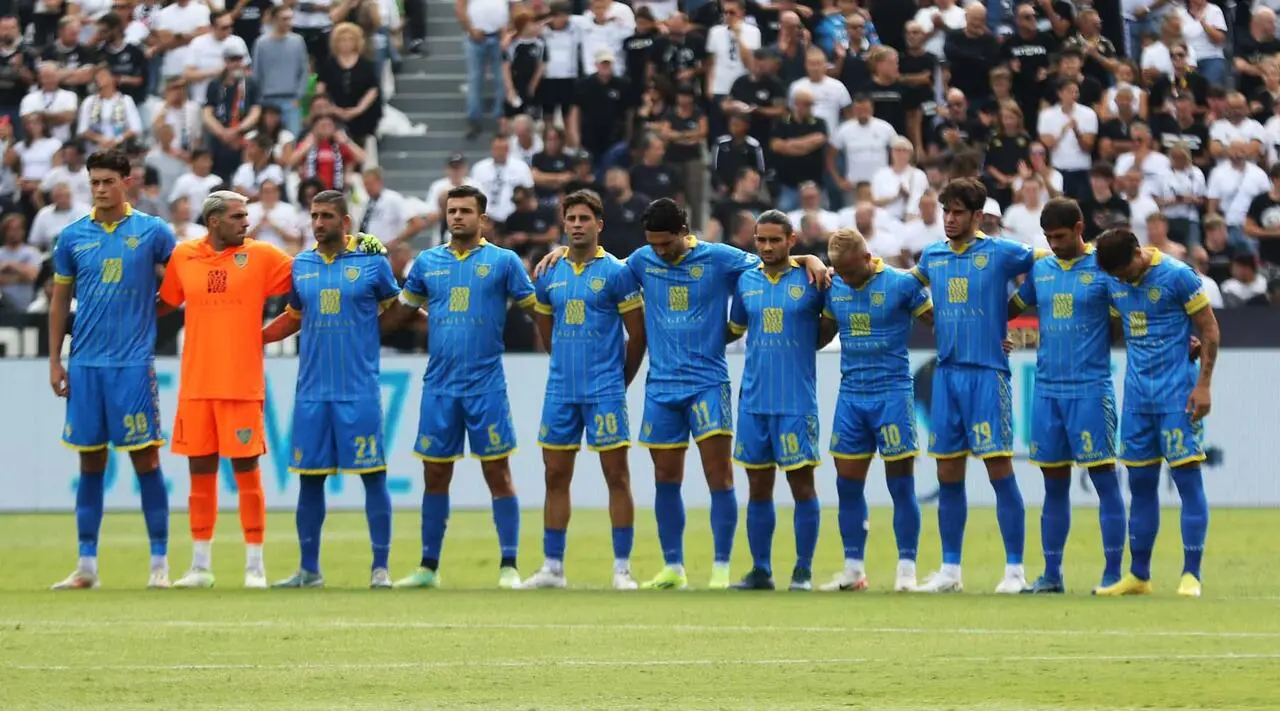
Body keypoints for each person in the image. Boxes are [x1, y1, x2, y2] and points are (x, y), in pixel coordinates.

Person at [535, 198, 828, 590]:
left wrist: (808, 257)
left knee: (718, 476)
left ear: (683, 232)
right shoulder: (640, 260)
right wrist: (563, 251)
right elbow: (598, 267)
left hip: (708, 383)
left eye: (665, 244)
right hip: (661, 387)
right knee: (665, 476)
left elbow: (770, 261)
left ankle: (721, 567)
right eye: (652, 244)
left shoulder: (720, 258)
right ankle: (673, 565)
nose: (659, 251)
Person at [384, 184, 539, 590]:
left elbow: (536, 308)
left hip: (486, 385)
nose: (457, 217)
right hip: (439, 386)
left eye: (465, 211)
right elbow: (401, 310)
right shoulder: (427, 262)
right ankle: (427, 568)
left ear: (482, 218)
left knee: (497, 473)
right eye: (452, 210)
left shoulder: (503, 262)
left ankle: (509, 566)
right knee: (435, 476)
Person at [47, 150, 177, 590]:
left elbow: (179, 282)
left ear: (127, 181)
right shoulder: (71, 237)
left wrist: (155, 309)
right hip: (84, 365)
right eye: (94, 182)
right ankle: (87, 566)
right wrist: (55, 361)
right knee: (90, 463)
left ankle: (159, 563)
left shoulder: (153, 232)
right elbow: (60, 301)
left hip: (132, 366)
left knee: (146, 460)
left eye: (108, 181)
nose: (100, 189)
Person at [909, 177, 1045, 594]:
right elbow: (903, 287)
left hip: (987, 375)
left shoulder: (1001, 253)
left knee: (998, 470)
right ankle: (950, 570)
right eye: (945, 211)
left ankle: (1015, 570)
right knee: (948, 472)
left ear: (976, 216)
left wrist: (1012, 311)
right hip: (947, 375)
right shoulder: (932, 256)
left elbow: (1048, 264)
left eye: (957, 212)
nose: (949, 219)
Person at [261, 190, 399, 589]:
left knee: (373, 475)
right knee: (309, 478)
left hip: (358, 388)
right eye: (314, 216)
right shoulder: (301, 265)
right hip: (312, 391)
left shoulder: (372, 263)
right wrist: (255, 338)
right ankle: (309, 570)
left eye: (325, 216)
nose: (318, 223)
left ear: (345, 221)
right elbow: (293, 317)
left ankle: (380, 568)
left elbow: (396, 310)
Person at [157, 190, 290, 589]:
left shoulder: (263, 256)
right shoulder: (184, 256)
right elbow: (164, 302)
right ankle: (200, 566)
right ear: (214, 221)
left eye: (246, 216)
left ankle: (255, 566)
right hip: (196, 385)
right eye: (237, 217)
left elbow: (311, 276)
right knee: (200, 472)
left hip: (241, 385)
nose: (245, 223)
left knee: (246, 472)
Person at [517, 190, 647, 590]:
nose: (576, 225)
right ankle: (552, 567)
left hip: (605, 389)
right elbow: (544, 325)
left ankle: (622, 569)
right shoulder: (550, 270)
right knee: (554, 475)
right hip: (560, 390)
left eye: (584, 219)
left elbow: (638, 335)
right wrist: (562, 365)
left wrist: (619, 380)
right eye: (570, 219)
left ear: (599, 225)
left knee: (617, 476)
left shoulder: (617, 272)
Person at [1006, 198, 1128, 593]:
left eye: (1059, 236)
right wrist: (991, 330)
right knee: (1052, 484)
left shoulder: (1104, 268)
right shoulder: (1040, 270)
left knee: (1104, 480)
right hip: (1047, 391)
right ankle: (1051, 575)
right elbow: (1009, 308)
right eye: (1047, 238)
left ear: (1079, 227)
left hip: (1091, 389)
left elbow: (1127, 317)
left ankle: (1112, 572)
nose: (1053, 244)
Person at [1094, 228, 1219, 598]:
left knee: (1187, 481)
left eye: (1122, 271)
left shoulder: (1178, 275)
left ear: (1137, 253)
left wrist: (1204, 385)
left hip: (1178, 397)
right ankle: (1139, 575)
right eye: (1114, 275)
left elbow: (1210, 329)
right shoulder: (1115, 280)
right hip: (1136, 399)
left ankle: (1191, 575)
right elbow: (1116, 329)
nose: (1120, 280)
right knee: (1141, 486)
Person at [817, 226, 933, 593]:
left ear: (868, 258)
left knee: (901, 485)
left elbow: (940, 323)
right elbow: (821, 336)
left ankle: (906, 569)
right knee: (847, 485)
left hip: (893, 395)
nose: (847, 280)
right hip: (852, 396)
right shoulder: (834, 286)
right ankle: (853, 570)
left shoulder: (901, 285)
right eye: (842, 273)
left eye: (852, 271)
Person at [725, 210, 827, 591]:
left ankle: (802, 570)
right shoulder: (746, 280)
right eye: (760, 240)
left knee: (802, 487)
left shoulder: (813, 278)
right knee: (758, 489)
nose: (767, 247)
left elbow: (829, 324)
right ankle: (761, 570)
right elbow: (731, 330)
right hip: (754, 401)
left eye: (774, 240)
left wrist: (814, 261)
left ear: (792, 240)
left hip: (796, 401)